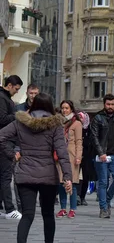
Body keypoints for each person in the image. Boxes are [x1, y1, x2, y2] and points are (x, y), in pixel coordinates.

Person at [0, 93, 73, 243]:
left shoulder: (19, 122)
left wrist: (12, 154)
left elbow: (1, 137)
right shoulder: (55, 125)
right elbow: (62, 152)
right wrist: (67, 177)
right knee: (48, 214)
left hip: (25, 174)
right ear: (51, 107)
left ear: (33, 105)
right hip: (47, 175)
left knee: (27, 215)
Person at [89, 94, 114, 219]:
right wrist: (101, 153)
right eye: (108, 104)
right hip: (102, 155)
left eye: (112, 104)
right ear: (104, 104)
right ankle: (103, 208)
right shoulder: (98, 118)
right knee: (103, 182)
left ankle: (107, 199)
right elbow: (94, 137)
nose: (110, 107)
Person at [0, 75, 22, 220]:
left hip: (6, 142)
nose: (16, 91)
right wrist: (17, 115)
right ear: (9, 85)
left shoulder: (5, 98)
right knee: (6, 177)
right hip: (4, 143)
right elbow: (2, 119)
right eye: (16, 88)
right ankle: (9, 209)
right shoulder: (2, 98)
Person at [56, 100, 82, 219]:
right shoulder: (58, 123)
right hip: (60, 155)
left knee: (72, 183)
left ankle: (72, 209)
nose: (64, 110)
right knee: (61, 182)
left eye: (67, 108)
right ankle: (62, 208)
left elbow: (78, 141)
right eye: (63, 108)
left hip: (72, 155)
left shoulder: (76, 123)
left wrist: (78, 156)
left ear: (71, 109)